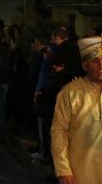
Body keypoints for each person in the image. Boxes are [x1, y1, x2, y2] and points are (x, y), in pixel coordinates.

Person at [51, 36, 102, 184]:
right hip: (82, 172)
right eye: (95, 60)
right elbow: (58, 131)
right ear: (85, 65)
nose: (100, 65)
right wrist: (63, 169)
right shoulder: (70, 92)